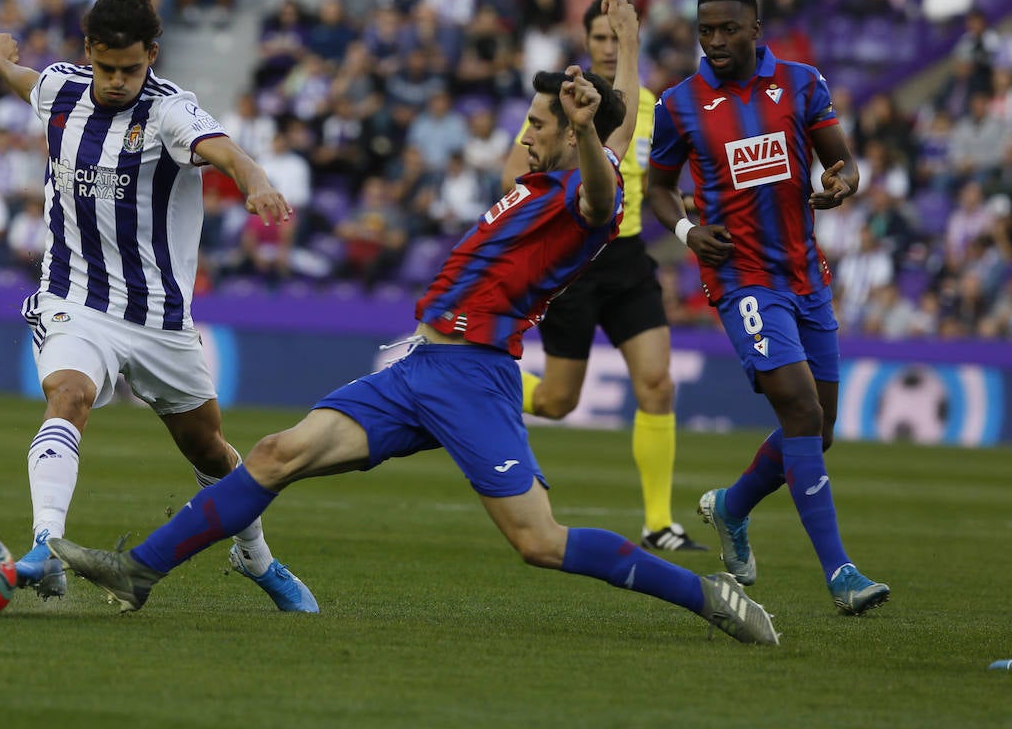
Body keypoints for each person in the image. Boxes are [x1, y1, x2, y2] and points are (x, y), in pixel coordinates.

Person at [48, 67, 779, 647]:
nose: (525, 134)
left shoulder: (586, 191)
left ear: (578, 132)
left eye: (538, 125)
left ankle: (706, 595)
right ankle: (140, 569)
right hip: (419, 368)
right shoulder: (529, 186)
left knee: (538, 540)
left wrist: (589, 131)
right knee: (275, 452)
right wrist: (591, 99)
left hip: (473, 377)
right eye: (529, 121)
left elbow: (600, 192)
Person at [0, 0, 317, 611]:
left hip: (160, 318)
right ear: (89, 54)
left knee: (208, 449)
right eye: (106, 68)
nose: (116, 81)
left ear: (152, 57)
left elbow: (223, 151)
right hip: (74, 298)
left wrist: (257, 180)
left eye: (130, 69)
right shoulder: (60, 90)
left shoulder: (169, 111)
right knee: (68, 394)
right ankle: (44, 547)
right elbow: (25, 78)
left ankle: (256, 557)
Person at [645, 0, 890, 615]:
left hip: (806, 275)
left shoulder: (804, 84)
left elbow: (843, 163)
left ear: (756, 30)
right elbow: (659, 189)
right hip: (740, 278)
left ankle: (731, 506)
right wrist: (688, 231)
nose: (716, 41)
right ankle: (841, 575)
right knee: (802, 413)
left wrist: (841, 183)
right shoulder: (680, 103)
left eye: (728, 29)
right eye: (706, 31)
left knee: (821, 427)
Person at [502, 0, 705, 554]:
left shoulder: (647, 104)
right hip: (576, 263)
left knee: (658, 385)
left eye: (617, 38)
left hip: (628, 257)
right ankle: (473, 374)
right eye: (600, 39)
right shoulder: (567, 105)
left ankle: (660, 523)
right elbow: (515, 171)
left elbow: (659, 175)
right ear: (585, 44)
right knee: (556, 404)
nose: (610, 48)